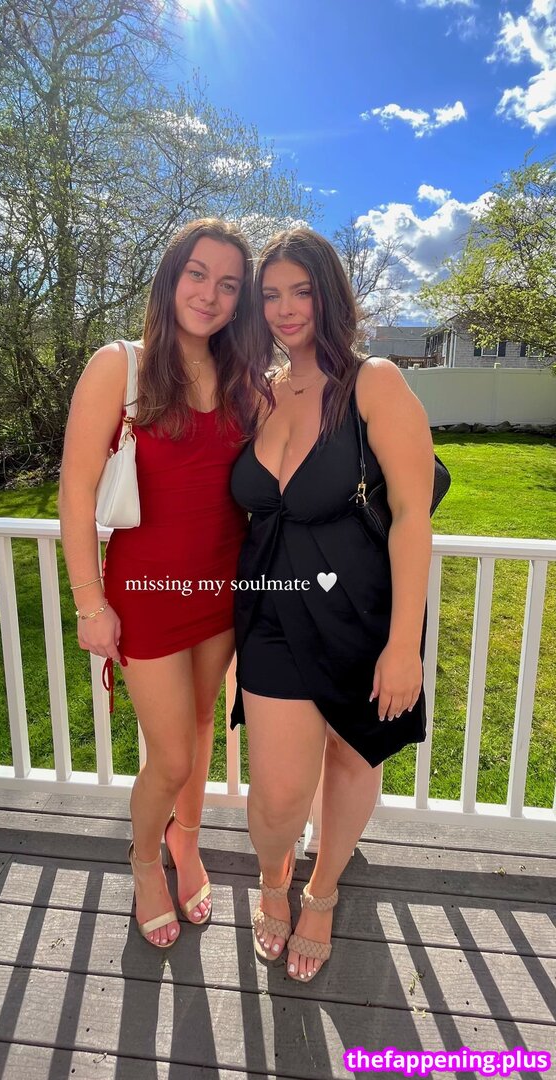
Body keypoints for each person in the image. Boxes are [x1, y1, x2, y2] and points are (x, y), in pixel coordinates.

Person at [229, 227, 435, 981]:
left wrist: (402, 645)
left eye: (302, 291)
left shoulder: (372, 381)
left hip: (362, 614)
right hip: (273, 610)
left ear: (330, 295)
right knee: (278, 794)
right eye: (270, 295)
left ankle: (322, 890)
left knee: (352, 755)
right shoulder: (259, 390)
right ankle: (272, 875)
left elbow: (412, 515)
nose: (285, 309)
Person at [59, 218, 257, 949]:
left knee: (202, 728)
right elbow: (76, 491)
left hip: (220, 590)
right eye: (197, 274)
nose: (210, 293)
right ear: (171, 278)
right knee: (170, 754)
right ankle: (145, 858)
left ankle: (186, 839)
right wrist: (90, 604)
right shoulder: (122, 365)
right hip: (145, 593)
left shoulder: (241, 379)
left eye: (228, 284)